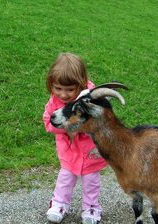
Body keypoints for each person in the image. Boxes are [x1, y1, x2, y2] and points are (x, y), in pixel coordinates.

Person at [43, 52, 107, 224]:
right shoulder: (54, 102)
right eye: (58, 88)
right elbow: (48, 122)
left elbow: (101, 121)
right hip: (69, 151)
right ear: (51, 85)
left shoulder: (92, 99)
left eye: (70, 89)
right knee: (65, 178)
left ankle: (91, 208)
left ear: (81, 84)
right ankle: (59, 204)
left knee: (91, 181)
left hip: (90, 152)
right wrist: (65, 128)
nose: (63, 95)